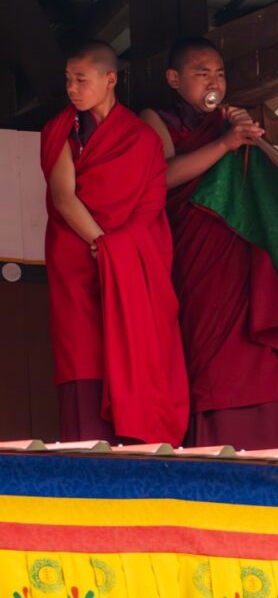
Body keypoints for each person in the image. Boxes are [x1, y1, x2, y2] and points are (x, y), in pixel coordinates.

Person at [140, 37, 278, 450]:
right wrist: (225, 144)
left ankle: (265, 455)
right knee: (209, 362)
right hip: (197, 259)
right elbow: (159, 179)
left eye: (219, 73)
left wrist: (243, 136)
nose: (213, 81)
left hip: (242, 256)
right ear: (174, 79)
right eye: (201, 73)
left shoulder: (233, 122)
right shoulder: (154, 119)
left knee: (253, 353)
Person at [41, 41, 188, 445]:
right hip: (78, 259)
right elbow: (64, 197)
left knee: (135, 356)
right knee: (83, 357)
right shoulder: (61, 131)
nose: (72, 88)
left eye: (81, 79)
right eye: (68, 80)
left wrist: (116, 251)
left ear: (110, 79)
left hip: (128, 260)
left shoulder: (142, 139)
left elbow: (151, 205)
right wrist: (102, 244)